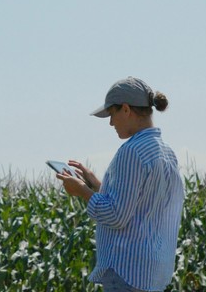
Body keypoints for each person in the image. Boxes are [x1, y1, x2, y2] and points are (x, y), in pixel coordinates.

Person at [56, 76, 184, 292]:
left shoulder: (131, 152)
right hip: (152, 271)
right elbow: (140, 204)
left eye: (112, 114)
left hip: (128, 271)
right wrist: (97, 184)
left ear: (126, 109)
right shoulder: (165, 152)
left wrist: (82, 191)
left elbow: (116, 216)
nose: (110, 122)